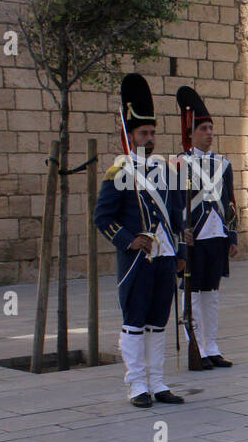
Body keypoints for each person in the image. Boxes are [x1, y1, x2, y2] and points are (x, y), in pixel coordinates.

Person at [94, 74, 186, 407]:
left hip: (163, 256)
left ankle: (158, 383)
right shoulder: (118, 173)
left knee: (158, 321)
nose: (149, 139)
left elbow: (176, 218)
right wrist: (129, 241)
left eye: (152, 134)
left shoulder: (166, 171)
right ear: (130, 135)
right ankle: (136, 385)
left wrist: (181, 252)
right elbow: (102, 219)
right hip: (136, 260)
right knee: (135, 321)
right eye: (143, 133)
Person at [173, 85, 238, 368]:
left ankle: (212, 346)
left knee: (212, 293)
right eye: (204, 129)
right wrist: (179, 234)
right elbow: (172, 204)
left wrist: (232, 235)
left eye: (211, 128)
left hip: (216, 237)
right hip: (193, 238)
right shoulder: (178, 164)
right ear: (192, 133)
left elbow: (231, 202)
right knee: (194, 294)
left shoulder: (223, 164)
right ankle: (196, 346)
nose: (210, 133)